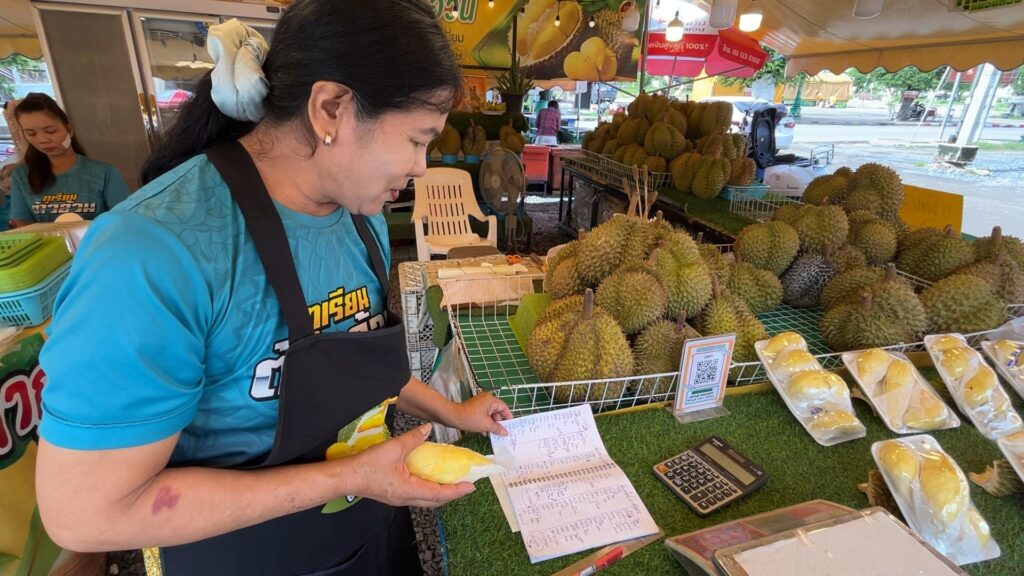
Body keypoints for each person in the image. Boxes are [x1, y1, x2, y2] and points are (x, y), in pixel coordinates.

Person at [35, 2, 511, 575]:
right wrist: (351, 477)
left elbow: (346, 358)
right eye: (417, 138)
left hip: (371, 529)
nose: (421, 167)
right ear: (331, 107)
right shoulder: (152, 254)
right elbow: (85, 513)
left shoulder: (362, 218)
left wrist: (451, 411)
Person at [9, 93, 130, 226]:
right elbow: (24, 225)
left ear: (69, 130)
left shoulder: (104, 173)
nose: (42, 140)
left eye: (50, 131)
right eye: (31, 133)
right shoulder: (21, 176)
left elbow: (123, 220)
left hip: (96, 245)